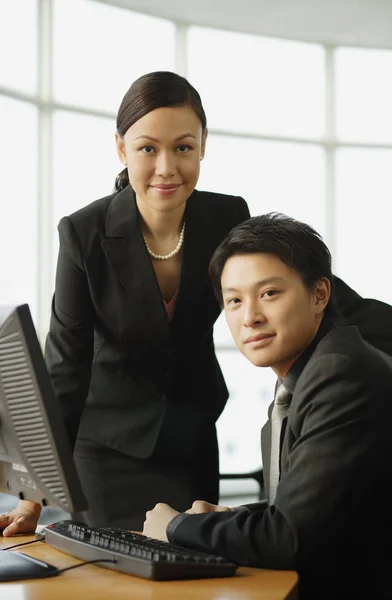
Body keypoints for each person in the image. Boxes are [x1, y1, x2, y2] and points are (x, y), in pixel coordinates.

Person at [0, 71, 250, 534]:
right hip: (106, 451)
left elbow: (281, 287)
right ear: (121, 148)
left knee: (193, 576)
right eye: (147, 148)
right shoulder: (84, 234)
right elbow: (65, 369)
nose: (166, 168)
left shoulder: (228, 218)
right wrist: (32, 493)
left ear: (203, 145)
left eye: (183, 147)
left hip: (192, 441)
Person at [143, 213, 392, 600]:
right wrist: (238, 518)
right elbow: (315, 505)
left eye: (269, 294)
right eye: (234, 301)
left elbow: (290, 538)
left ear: (319, 295)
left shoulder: (341, 376)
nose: (250, 317)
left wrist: (176, 527)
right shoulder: (306, 377)